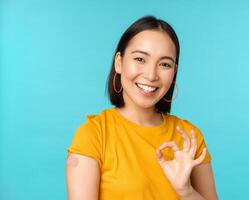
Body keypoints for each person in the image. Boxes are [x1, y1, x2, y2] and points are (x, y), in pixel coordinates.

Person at [66, 15, 218, 200]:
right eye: (140, 59)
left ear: (174, 72)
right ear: (119, 63)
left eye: (164, 64)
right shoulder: (93, 135)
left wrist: (186, 191)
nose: (151, 75)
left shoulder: (189, 137)